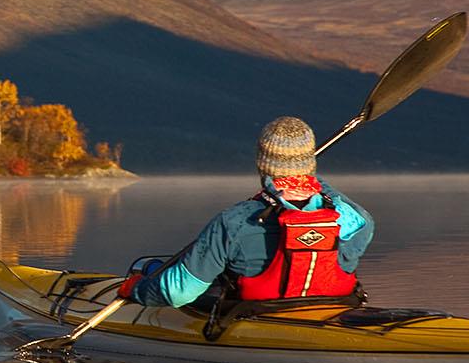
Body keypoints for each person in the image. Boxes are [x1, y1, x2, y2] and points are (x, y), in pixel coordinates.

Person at [130, 116, 373, 311]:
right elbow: (325, 195)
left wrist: (134, 290)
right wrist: (304, 173)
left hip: (259, 316)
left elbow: (179, 293)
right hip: (333, 310)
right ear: (310, 163)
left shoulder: (235, 222)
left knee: (150, 269)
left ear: (262, 163)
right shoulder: (359, 220)